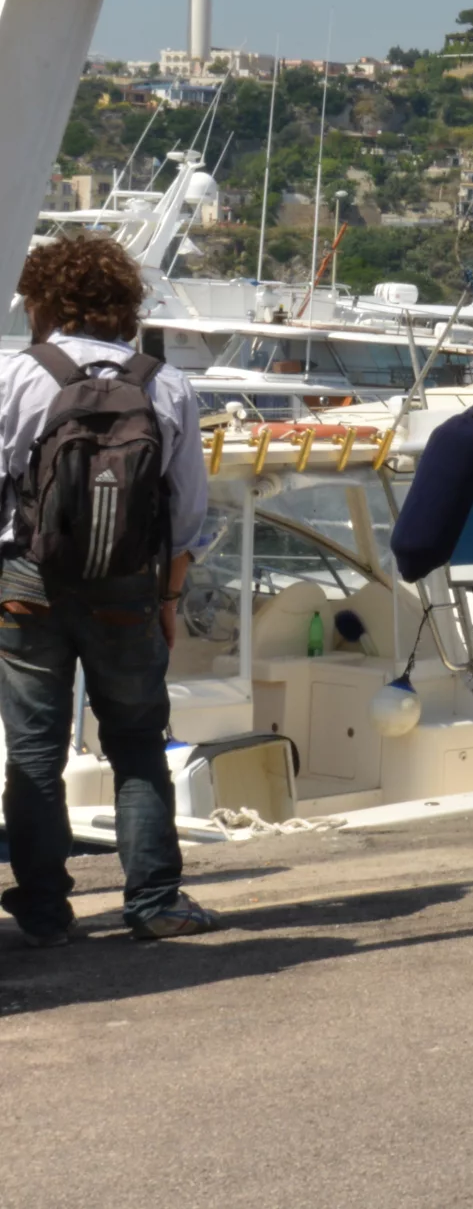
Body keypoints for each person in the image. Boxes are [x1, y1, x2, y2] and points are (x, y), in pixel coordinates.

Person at [0, 234, 217, 943]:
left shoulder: (20, 376)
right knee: (135, 741)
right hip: (128, 586)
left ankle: (42, 909)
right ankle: (154, 901)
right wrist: (166, 602)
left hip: (29, 582)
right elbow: (187, 516)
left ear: (44, 300)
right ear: (125, 303)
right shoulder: (166, 383)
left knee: (35, 751)